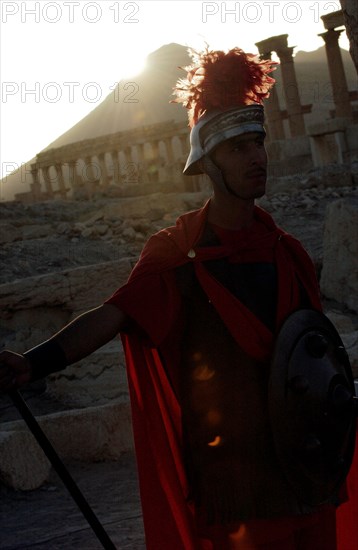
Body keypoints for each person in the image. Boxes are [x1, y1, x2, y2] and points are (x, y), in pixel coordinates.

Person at [0, 46, 352, 550]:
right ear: (207, 164)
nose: (256, 157)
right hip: (238, 481)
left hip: (306, 466)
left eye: (258, 142)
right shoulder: (177, 255)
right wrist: (31, 365)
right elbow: (114, 314)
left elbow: (317, 357)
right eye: (238, 148)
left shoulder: (288, 252)